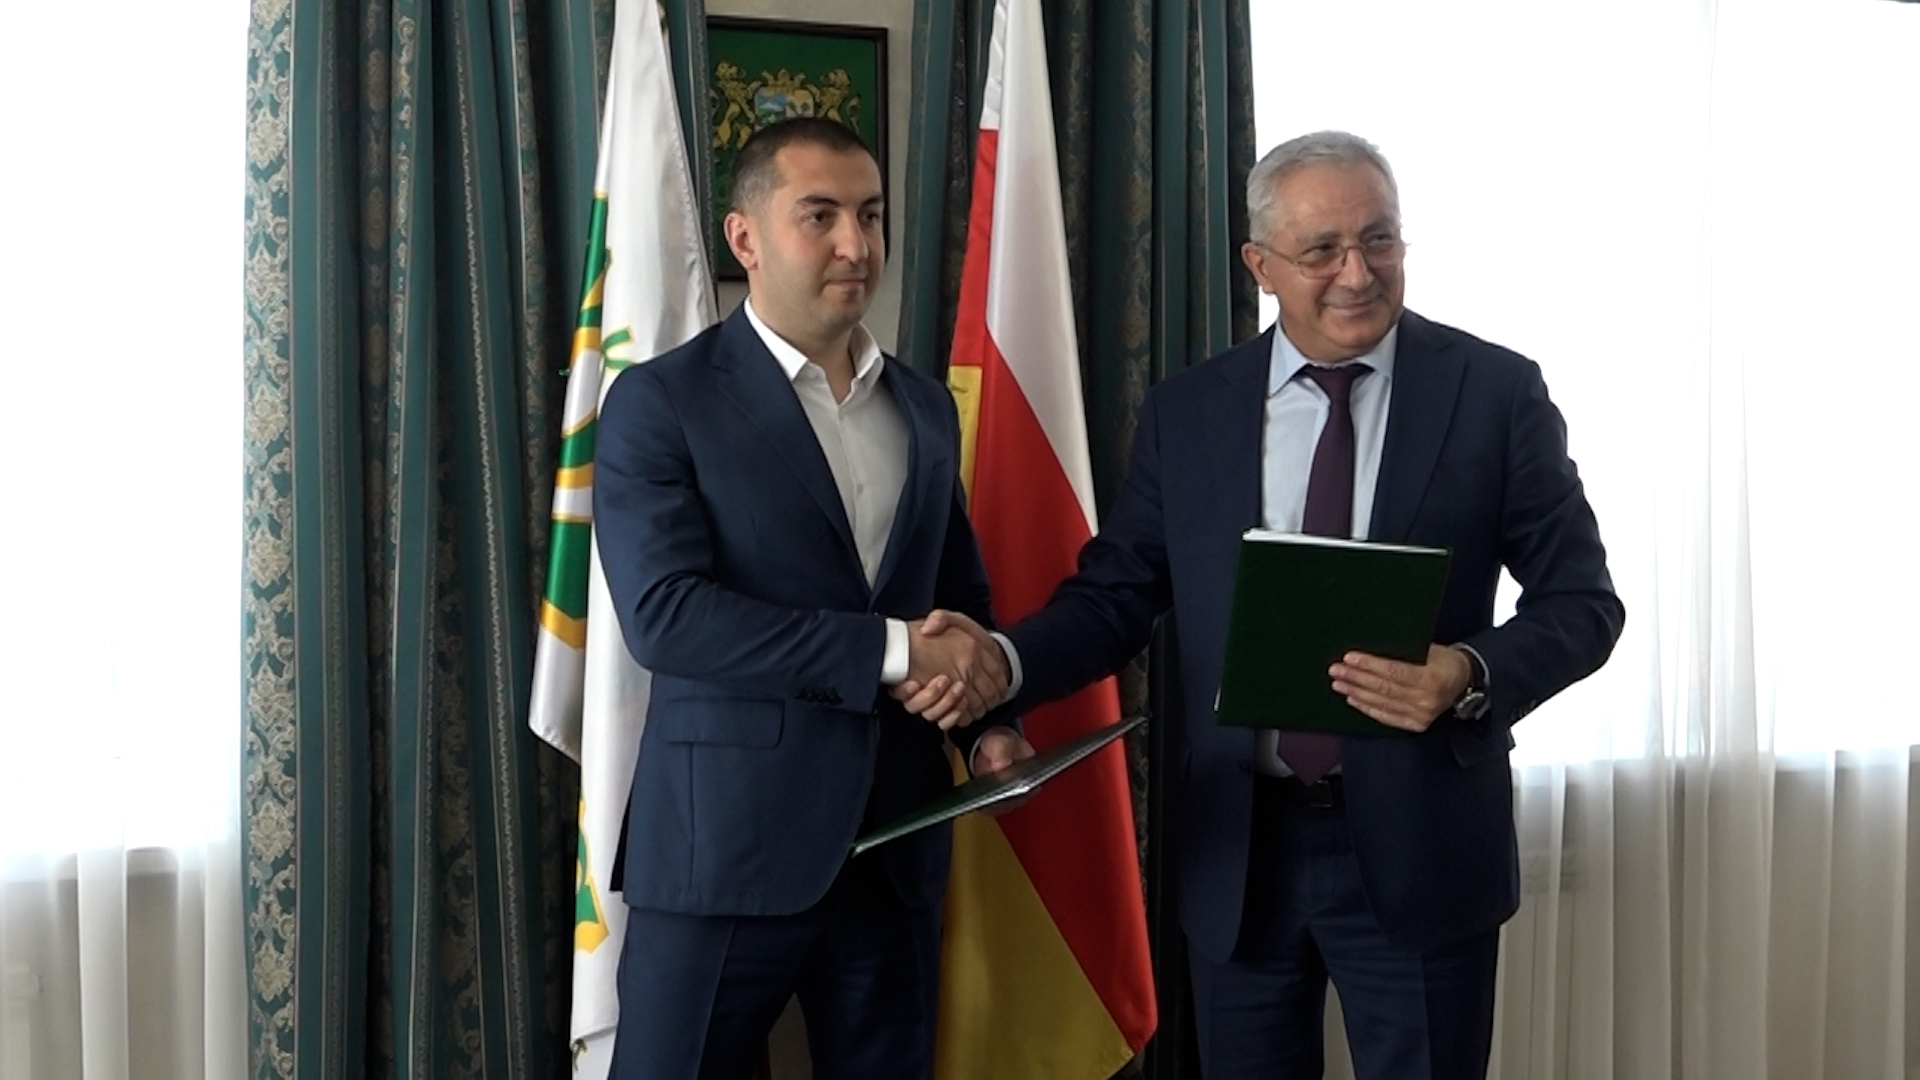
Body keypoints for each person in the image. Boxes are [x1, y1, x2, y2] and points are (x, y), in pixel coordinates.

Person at [904, 130, 1625, 1078]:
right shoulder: (1190, 412)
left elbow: (1583, 604)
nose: (1358, 273)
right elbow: (1114, 597)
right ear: (1260, 265)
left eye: (1380, 239)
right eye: (1322, 250)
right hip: (1239, 857)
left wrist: (1467, 672)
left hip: (1422, 850)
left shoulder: (1493, 394)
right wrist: (1003, 665)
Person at [593, 117, 1032, 1080]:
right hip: (722, 856)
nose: (856, 245)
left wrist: (986, 724)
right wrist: (892, 652)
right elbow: (667, 616)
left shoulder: (924, 406)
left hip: (896, 851)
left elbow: (956, 597)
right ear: (744, 238)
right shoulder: (661, 403)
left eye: (870, 216)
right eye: (820, 216)